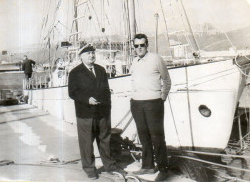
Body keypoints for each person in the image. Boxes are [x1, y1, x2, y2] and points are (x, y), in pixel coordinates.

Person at [68, 44, 125, 180]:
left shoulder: (100, 70)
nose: (91, 55)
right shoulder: (75, 73)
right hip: (85, 114)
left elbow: (106, 91)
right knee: (86, 142)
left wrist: (107, 109)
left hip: (102, 113)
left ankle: (109, 166)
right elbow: (72, 93)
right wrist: (87, 99)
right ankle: (89, 169)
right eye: (88, 53)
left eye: (92, 53)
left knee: (105, 140)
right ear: (81, 56)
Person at [130, 34, 172, 181]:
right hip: (137, 103)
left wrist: (163, 96)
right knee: (143, 136)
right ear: (134, 47)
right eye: (136, 46)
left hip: (153, 103)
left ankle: (163, 170)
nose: (139, 48)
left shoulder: (156, 59)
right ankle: (147, 166)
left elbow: (166, 79)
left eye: (142, 45)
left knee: (157, 137)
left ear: (147, 45)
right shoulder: (134, 61)